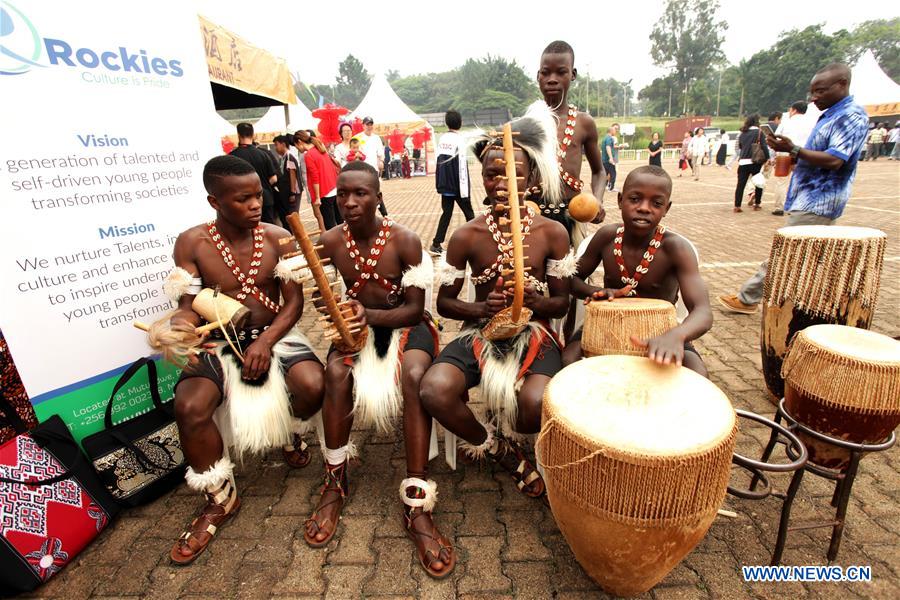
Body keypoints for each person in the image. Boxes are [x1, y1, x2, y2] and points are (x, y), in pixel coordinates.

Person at [159, 155, 325, 565]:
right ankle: (220, 496)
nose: (256, 204)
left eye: (258, 195)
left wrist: (266, 341)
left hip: (275, 336)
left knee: (313, 385)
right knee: (189, 405)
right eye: (243, 199)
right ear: (215, 202)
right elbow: (186, 305)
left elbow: (294, 302)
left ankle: (290, 431)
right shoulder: (191, 242)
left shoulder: (277, 235)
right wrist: (179, 327)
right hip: (217, 342)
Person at [303, 161, 454, 578]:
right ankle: (335, 480)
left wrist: (364, 312)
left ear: (377, 194)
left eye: (361, 194)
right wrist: (330, 307)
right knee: (335, 374)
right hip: (356, 332)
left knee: (413, 376)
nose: (350, 202)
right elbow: (323, 297)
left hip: (406, 327)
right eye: (343, 194)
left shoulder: (405, 240)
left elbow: (412, 309)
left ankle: (416, 498)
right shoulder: (329, 241)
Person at [420, 102, 573, 501]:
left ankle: (520, 435)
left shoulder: (553, 232)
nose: (502, 182)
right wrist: (481, 310)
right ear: (482, 179)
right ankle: (494, 446)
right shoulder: (466, 235)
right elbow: (445, 304)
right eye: (491, 174)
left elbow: (562, 304)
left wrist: (534, 300)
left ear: (531, 179)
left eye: (513, 173)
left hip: (534, 335)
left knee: (534, 405)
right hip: (479, 334)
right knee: (434, 389)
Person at [719, 63, 870, 314]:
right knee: (805, 254)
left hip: (819, 198)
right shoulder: (831, 115)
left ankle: (749, 298)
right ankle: (814, 302)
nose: (814, 98)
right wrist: (793, 153)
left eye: (820, 91)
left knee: (786, 252)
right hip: (809, 196)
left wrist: (795, 150)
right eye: (813, 92)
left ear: (842, 84)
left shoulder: (850, 116)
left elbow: (835, 160)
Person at [562, 166, 711, 376]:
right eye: (635, 199)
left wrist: (677, 335)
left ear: (666, 208)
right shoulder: (607, 237)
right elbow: (570, 280)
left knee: (698, 374)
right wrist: (595, 292)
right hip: (606, 325)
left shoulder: (676, 248)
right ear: (620, 200)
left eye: (656, 203)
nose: (644, 208)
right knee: (569, 360)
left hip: (663, 331)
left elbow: (703, 311)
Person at [535, 40, 607, 244]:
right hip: (532, 215)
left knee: (567, 271)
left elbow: (599, 171)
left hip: (571, 216)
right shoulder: (526, 124)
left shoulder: (584, 123)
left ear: (573, 75)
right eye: (546, 73)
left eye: (561, 72)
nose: (552, 80)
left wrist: (597, 201)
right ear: (538, 76)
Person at [430, 110, 476, 255]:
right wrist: (465, 190)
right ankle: (477, 241)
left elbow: (439, 162)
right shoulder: (459, 139)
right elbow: (461, 165)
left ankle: (436, 243)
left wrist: (440, 184)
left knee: (447, 214)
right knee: (470, 214)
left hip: (445, 185)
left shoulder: (442, 138)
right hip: (457, 185)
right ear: (460, 123)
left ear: (447, 123)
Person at [229, 123, 278, 224]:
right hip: (265, 199)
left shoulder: (232, 157)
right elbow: (274, 179)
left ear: (238, 135)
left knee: (249, 232)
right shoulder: (264, 154)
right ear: (253, 135)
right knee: (268, 230)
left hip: (243, 202)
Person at [771, 101, 811, 216]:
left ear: (793, 110)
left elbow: (776, 138)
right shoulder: (810, 123)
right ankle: (796, 206)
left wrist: (774, 155)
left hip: (784, 153)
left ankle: (779, 207)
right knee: (800, 179)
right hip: (802, 153)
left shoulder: (786, 122)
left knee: (781, 181)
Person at [297, 130, 342, 231]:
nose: (297, 149)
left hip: (324, 192)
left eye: (296, 146)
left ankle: (335, 245)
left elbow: (315, 177)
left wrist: (317, 197)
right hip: (333, 188)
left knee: (330, 226)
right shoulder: (320, 149)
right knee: (340, 221)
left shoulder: (309, 155)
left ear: (299, 142)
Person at [732, 114, 770, 212]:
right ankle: (757, 204)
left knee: (740, 185)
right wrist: (767, 158)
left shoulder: (742, 132)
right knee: (758, 183)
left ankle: (737, 206)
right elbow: (764, 146)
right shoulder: (759, 132)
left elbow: (740, 146)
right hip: (755, 162)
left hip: (743, 162)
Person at [354, 117, 389, 216]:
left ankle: (384, 214)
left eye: (371, 124)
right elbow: (353, 151)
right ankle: (368, 213)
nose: (369, 126)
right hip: (361, 170)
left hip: (373, 170)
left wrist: (381, 161)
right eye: (367, 124)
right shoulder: (358, 138)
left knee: (375, 191)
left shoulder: (376, 138)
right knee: (364, 192)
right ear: (363, 125)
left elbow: (381, 153)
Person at [273, 135, 302, 227]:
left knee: (293, 216)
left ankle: (300, 236)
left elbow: (292, 175)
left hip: (293, 192)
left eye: (276, 145)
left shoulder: (289, 157)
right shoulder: (283, 157)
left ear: (283, 144)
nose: (275, 148)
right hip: (287, 191)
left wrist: (292, 192)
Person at [601, 125, 620, 191]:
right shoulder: (610, 138)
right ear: (611, 131)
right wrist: (611, 158)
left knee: (605, 174)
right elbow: (608, 147)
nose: (615, 131)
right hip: (608, 160)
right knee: (613, 173)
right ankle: (611, 188)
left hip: (603, 160)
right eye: (614, 130)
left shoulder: (604, 138)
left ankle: (602, 186)